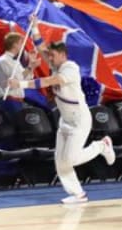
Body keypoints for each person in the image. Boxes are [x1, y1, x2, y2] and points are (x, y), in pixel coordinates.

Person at [9, 29, 115, 204]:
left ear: (63, 55)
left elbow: (49, 81)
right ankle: (78, 194)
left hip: (79, 119)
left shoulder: (71, 68)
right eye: (49, 56)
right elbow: (41, 48)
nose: (49, 58)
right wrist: (34, 27)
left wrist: (20, 83)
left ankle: (101, 146)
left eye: (53, 56)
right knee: (61, 161)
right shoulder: (55, 64)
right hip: (65, 120)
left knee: (71, 159)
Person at [0, 33, 37, 114]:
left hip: (17, 102)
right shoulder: (4, 60)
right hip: (9, 101)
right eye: (21, 43)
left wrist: (31, 65)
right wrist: (29, 67)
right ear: (14, 45)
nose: (23, 46)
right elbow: (18, 79)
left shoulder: (15, 61)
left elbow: (27, 78)